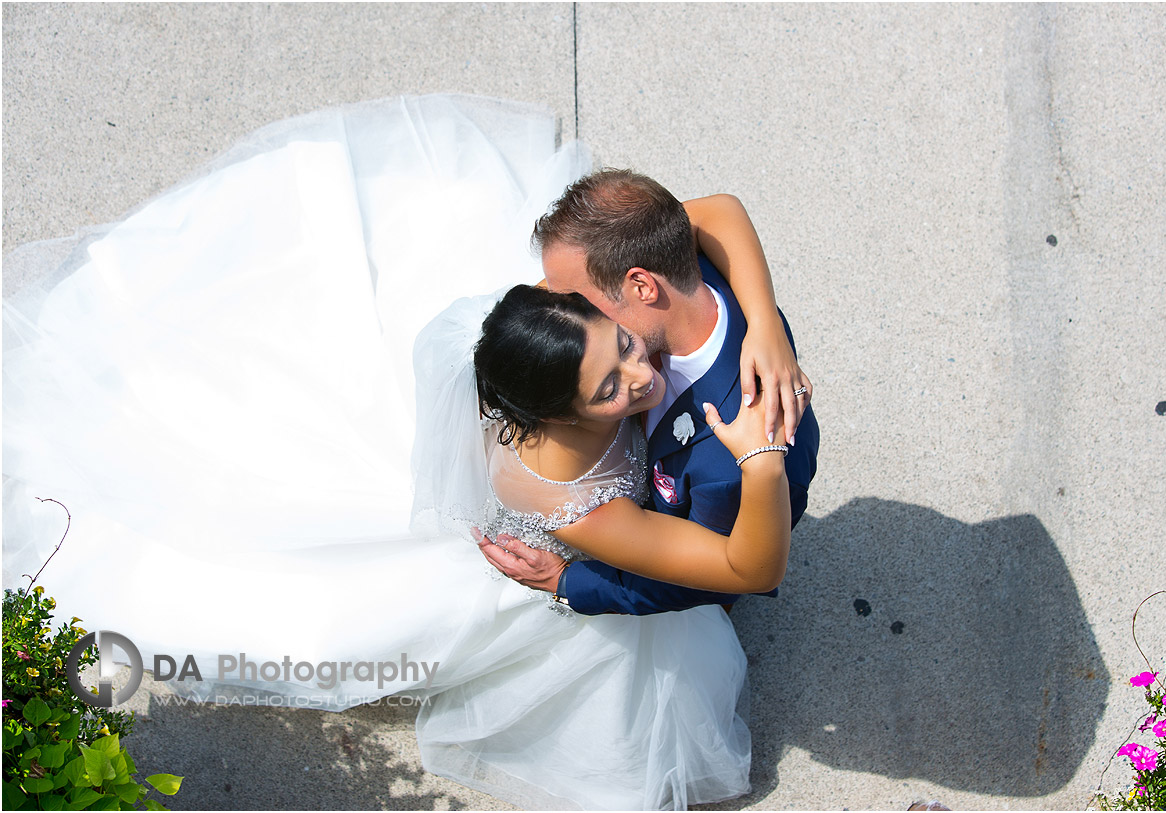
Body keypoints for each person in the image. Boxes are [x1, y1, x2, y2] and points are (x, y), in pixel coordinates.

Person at [2, 95, 810, 808]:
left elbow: (718, 212)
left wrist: (765, 325)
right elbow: (737, 566)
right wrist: (577, 576)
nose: (640, 373)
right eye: (609, 381)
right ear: (555, 413)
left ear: (640, 285)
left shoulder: (685, 299)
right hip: (625, 523)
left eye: (583, 307)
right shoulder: (567, 477)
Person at [480, 170, 820, 615]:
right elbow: (720, 209)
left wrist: (570, 581)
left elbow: (715, 576)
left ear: (642, 286)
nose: (554, 307)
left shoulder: (739, 461)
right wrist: (765, 320)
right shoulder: (665, 268)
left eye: (574, 297)